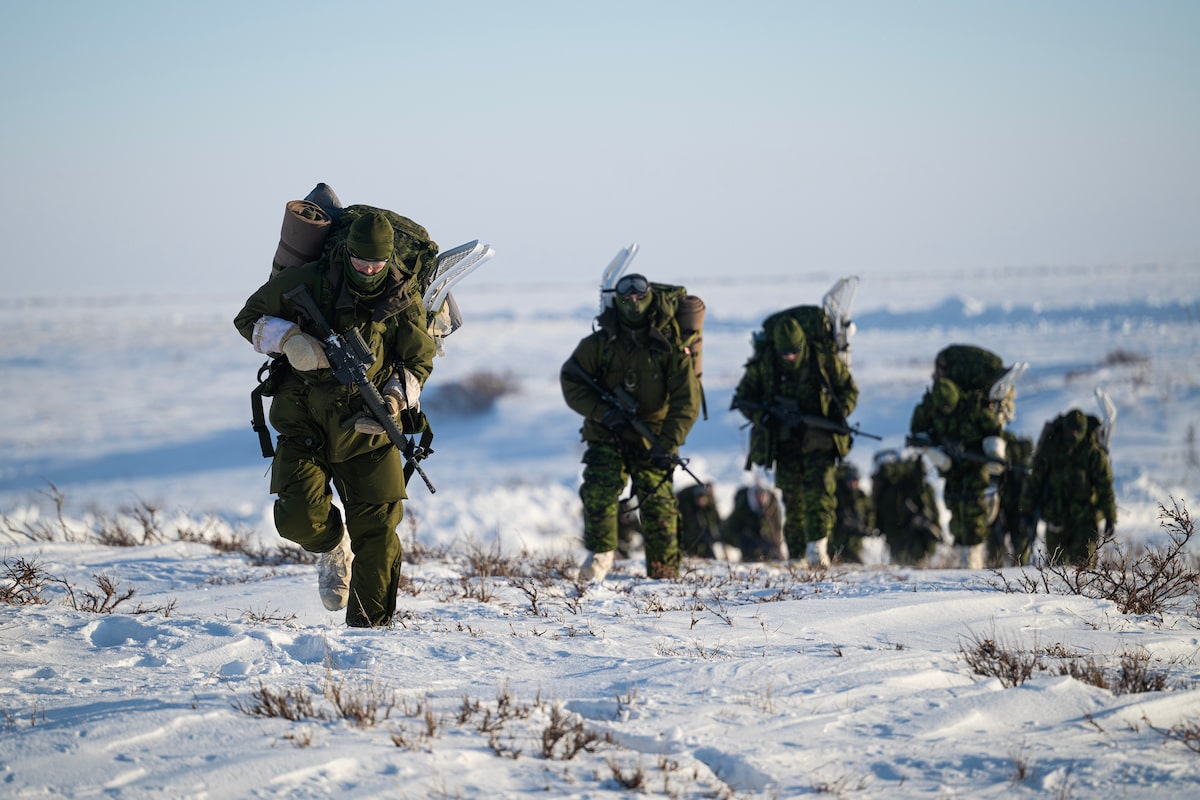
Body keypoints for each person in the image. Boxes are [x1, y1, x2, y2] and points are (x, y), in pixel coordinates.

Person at [234, 211, 436, 627]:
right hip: (305, 422)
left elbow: (419, 361)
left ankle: (368, 638)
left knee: (379, 539)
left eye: (376, 264)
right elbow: (249, 318)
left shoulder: (402, 299)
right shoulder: (308, 281)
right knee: (298, 521)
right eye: (360, 261)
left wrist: (395, 402)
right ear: (346, 253)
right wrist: (289, 340)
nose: (367, 270)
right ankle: (332, 545)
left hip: (370, 430)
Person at [560, 273, 702, 581]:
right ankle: (599, 558)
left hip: (653, 437)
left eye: (640, 298)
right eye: (627, 299)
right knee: (599, 490)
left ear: (649, 298)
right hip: (607, 433)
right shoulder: (600, 343)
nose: (634, 304)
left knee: (660, 506)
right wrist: (603, 413)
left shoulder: (668, 345)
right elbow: (571, 379)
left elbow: (686, 401)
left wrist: (668, 442)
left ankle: (665, 578)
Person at [732, 310, 859, 567]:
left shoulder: (822, 359)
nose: (790, 357)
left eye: (795, 351)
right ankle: (798, 554)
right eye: (785, 353)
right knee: (792, 498)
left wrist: (838, 410)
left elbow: (849, 390)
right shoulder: (766, 363)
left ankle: (817, 548)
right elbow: (744, 397)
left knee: (820, 494)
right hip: (784, 441)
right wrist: (763, 417)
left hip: (819, 440)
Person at [909, 347, 1011, 568]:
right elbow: (917, 429)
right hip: (951, 467)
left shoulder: (972, 406)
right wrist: (926, 444)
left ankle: (972, 558)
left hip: (974, 467)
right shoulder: (931, 406)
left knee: (974, 511)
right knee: (955, 508)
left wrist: (994, 454)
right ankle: (963, 557)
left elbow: (993, 430)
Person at [1020, 408, 1117, 567]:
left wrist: (1110, 516)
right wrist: (1026, 510)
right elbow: (1034, 480)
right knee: (1054, 571)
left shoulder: (1092, 453)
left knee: (1085, 572)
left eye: (1078, 431)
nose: (1074, 435)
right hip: (1056, 518)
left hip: (1085, 522)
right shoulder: (1051, 447)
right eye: (1071, 430)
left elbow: (1105, 486)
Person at [870, 449, 944, 566]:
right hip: (900, 534)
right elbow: (887, 512)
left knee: (917, 563)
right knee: (900, 564)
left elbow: (934, 511)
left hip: (918, 537)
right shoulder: (897, 490)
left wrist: (933, 526)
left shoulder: (926, 490)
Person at [988, 431, 1035, 565]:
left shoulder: (1023, 466)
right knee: (999, 547)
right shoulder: (997, 463)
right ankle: (995, 573)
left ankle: (1014, 573)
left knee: (1018, 548)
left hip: (1017, 509)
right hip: (1004, 507)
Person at [720, 483, 786, 561]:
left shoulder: (771, 510)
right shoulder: (743, 508)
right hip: (747, 542)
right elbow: (731, 529)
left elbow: (776, 531)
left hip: (766, 543)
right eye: (758, 495)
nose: (760, 498)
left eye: (763, 495)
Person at [831, 462, 877, 564]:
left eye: (855, 480)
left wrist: (867, 527)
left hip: (855, 544)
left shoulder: (861, 496)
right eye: (850, 480)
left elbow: (870, 514)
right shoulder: (837, 495)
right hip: (837, 543)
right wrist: (841, 520)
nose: (853, 484)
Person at [676, 482, 723, 559]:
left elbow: (716, 520)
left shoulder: (710, 506)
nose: (701, 502)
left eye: (703, 499)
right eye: (698, 499)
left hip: (705, 538)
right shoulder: (686, 508)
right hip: (688, 539)